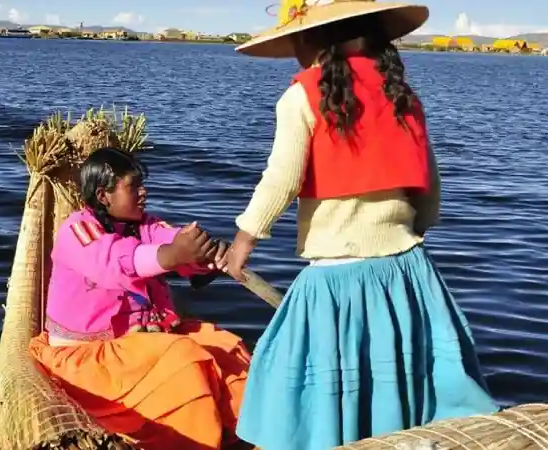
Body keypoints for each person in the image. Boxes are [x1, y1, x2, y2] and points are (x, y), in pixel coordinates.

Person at [223, 1, 499, 449]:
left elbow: (282, 178)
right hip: (408, 272)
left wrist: (243, 242)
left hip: (338, 280)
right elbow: (429, 183)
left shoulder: (302, 95)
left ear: (310, 39)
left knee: (291, 384)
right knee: (396, 382)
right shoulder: (402, 94)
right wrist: (417, 229)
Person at [29, 147, 251, 450]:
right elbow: (115, 263)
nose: (143, 192)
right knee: (183, 361)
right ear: (104, 195)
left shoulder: (145, 224)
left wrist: (204, 254)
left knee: (227, 348)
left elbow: (169, 241)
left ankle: (249, 434)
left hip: (144, 342)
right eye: (133, 186)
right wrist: (172, 255)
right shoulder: (77, 230)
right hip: (90, 356)